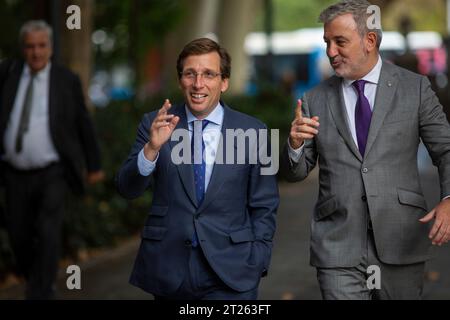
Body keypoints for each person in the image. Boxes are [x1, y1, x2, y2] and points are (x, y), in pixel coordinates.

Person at [280, 0, 450, 299]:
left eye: (339, 41)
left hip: (402, 240)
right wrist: (294, 146)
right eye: (327, 42)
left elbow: (446, 149)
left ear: (370, 40)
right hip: (337, 247)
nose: (330, 51)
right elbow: (297, 171)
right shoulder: (314, 99)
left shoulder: (415, 89)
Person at [116, 37, 279, 300]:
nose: (198, 83)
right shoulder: (153, 123)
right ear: (181, 80)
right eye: (190, 74)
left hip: (233, 271)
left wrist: (258, 256)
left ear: (224, 82)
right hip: (170, 270)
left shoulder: (256, 131)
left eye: (208, 74)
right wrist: (152, 149)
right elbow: (126, 188)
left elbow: (265, 204)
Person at [0, 20, 104, 299]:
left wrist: (94, 164)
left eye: (42, 46)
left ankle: (41, 291)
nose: (36, 52)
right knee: (18, 235)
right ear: (23, 48)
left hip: (52, 172)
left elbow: (83, 122)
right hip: (13, 173)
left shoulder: (65, 79)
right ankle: (36, 280)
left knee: (48, 232)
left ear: (51, 47)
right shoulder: (7, 73)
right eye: (30, 46)